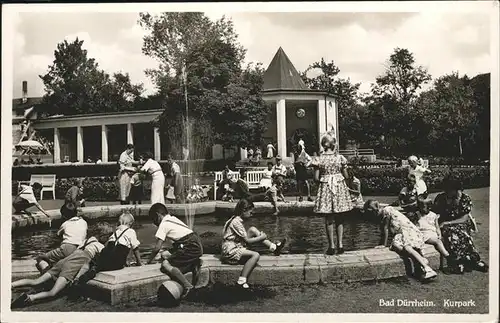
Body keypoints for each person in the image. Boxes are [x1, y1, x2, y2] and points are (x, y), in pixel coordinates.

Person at [11, 223, 113, 308]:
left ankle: (11, 285)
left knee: (35, 282)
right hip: (70, 268)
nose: (108, 239)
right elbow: (103, 260)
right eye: (108, 237)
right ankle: (30, 298)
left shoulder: (88, 240)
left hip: (63, 262)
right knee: (53, 292)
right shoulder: (100, 247)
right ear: (103, 236)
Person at [363, 200, 438, 281]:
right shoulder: (384, 213)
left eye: (372, 213)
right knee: (396, 246)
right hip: (401, 232)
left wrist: (383, 245)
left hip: (407, 231)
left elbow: (386, 229)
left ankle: (427, 268)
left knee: (407, 247)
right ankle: (420, 259)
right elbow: (384, 231)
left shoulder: (387, 210)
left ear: (375, 210)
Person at [221, 199, 286, 289]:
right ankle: (241, 280)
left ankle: (274, 247)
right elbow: (247, 241)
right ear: (244, 210)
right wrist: (261, 237)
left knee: (252, 229)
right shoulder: (236, 223)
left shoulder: (234, 219)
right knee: (255, 255)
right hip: (230, 251)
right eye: (250, 212)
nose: (252, 214)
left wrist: (259, 237)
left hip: (234, 244)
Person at [147, 203, 203, 299]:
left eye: (153, 220)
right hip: (195, 243)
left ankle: (187, 286)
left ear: (157, 215)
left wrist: (148, 262)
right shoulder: (173, 219)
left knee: (165, 264)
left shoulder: (163, 224)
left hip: (188, 246)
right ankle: (193, 263)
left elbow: (157, 248)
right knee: (165, 254)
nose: (154, 223)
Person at [432, 178, 488, 274]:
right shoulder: (440, 198)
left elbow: (464, 218)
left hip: (460, 223)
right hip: (444, 225)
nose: (447, 191)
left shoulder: (465, 199)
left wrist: (447, 223)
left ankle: (470, 259)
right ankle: (465, 261)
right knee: (451, 233)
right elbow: (435, 214)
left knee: (460, 233)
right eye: (446, 189)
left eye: (450, 189)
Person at [311, 134, 354, 255]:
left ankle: (331, 246)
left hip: (326, 186)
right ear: (333, 144)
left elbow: (315, 178)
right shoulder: (339, 158)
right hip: (338, 185)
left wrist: (324, 181)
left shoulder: (319, 159)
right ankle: (340, 245)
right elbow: (346, 176)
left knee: (328, 218)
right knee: (339, 217)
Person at [35, 202, 87, 274]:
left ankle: (46, 273)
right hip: (80, 249)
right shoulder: (84, 222)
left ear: (64, 216)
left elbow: (58, 235)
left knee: (41, 258)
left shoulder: (65, 224)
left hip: (66, 248)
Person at [415, 199, 451, 270]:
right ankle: (447, 255)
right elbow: (415, 225)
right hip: (424, 234)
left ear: (429, 207)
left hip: (432, 233)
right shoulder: (417, 214)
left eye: (423, 207)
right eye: (420, 206)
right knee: (438, 242)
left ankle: (444, 264)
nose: (421, 208)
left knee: (442, 240)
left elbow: (437, 227)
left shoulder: (433, 215)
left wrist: (439, 234)